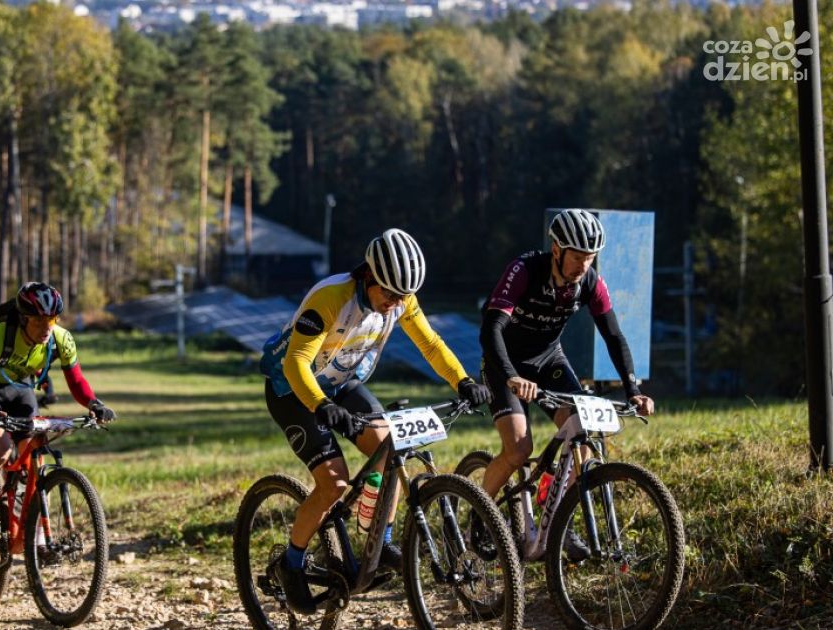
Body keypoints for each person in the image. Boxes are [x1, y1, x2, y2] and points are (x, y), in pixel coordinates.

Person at [259, 228, 492, 614]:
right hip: (293, 390)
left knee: (390, 446)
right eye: (389, 294)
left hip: (341, 382)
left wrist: (463, 381)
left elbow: (430, 343)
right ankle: (292, 563)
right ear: (368, 276)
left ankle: (377, 540)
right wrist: (321, 405)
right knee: (333, 482)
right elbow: (296, 361)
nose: (395, 304)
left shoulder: (400, 299)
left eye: (403, 297)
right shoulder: (330, 298)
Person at [477, 210, 654, 556]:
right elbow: (491, 327)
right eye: (577, 257)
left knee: (581, 435)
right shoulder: (524, 271)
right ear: (556, 250)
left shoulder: (590, 282)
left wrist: (633, 389)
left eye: (590, 258)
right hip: (507, 362)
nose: (584, 266)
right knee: (518, 450)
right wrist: (511, 376)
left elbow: (614, 335)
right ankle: (481, 515)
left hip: (548, 359)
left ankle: (558, 524)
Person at [0, 282, 116, 540]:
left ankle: (37, 539)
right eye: (39, 321)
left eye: (52, 319)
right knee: (1, 451)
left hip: (22, 391)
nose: (46, 328)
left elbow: (76, 381)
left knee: (35, 459)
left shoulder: (61, 338)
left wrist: (94, 404)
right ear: (23, 318)